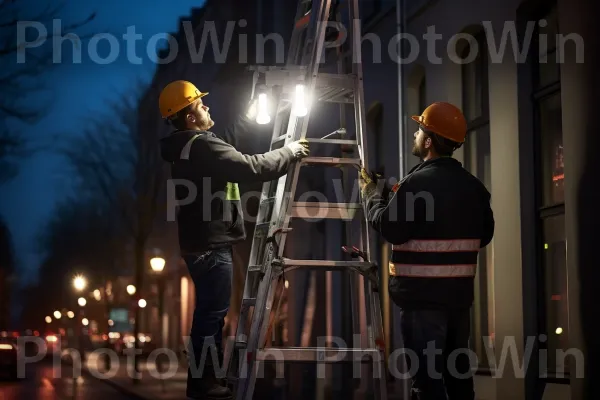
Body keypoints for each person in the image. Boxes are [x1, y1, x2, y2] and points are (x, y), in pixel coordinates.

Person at [158, 80, 309, 400]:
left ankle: (206, 378)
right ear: (189, 117)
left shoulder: (188, 147)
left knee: (211, 313)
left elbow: (225, 143)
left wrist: (251, 109)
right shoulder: (202, 146)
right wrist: (290, 152)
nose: (207, 107)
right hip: (212, 245)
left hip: (200, 243)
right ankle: (202, 381)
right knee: (211, 315)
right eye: (201, 105)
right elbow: (251, 167)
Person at [359, 102, 495, 400]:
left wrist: (369, 194)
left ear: (430, 140)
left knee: (427, 384)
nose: (415, 136)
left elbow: (390, 227)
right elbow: (484, 235)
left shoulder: (415, 184)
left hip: (422, 303)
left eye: (419, 130)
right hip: (458, 303)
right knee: (459, 383)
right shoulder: (474, 188)